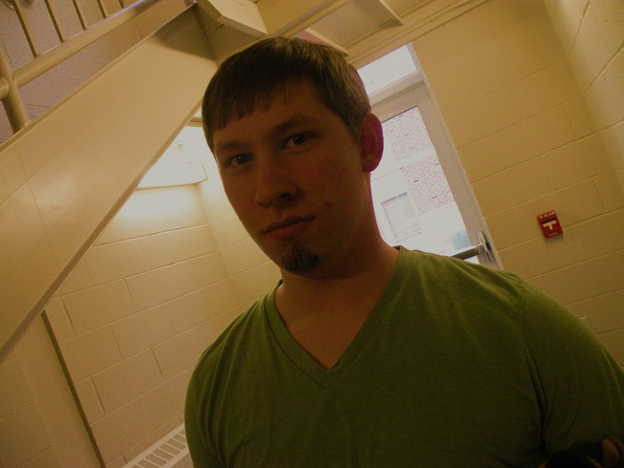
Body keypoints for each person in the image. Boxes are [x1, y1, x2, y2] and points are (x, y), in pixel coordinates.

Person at [185, 37, 624, 467]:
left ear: (367, 144)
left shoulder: (523, 328)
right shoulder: (215, 387)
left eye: (296, 140)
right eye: (239, 160)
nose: (268, 190)